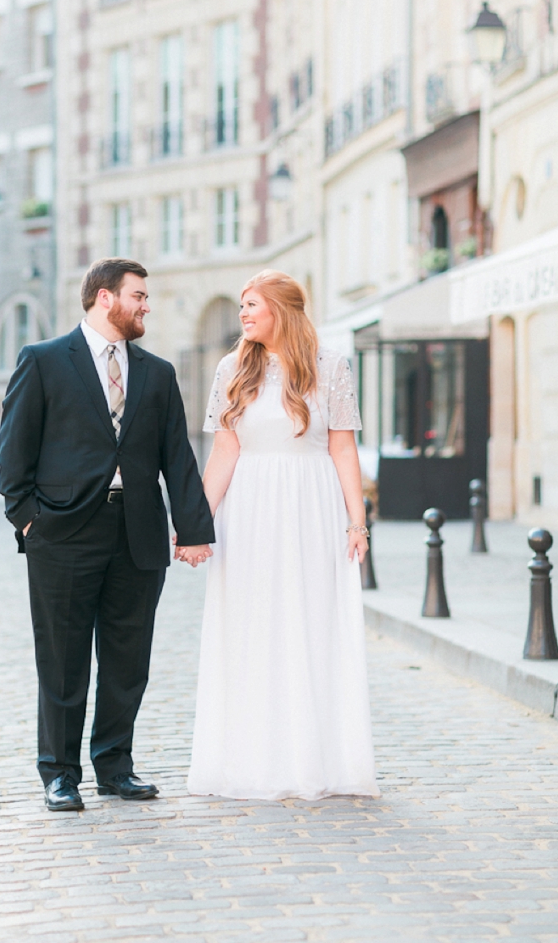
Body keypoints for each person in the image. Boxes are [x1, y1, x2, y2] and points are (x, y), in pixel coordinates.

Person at [0, 258, 214, 812]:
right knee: (63, 659)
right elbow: (13, 452)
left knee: (127, 659)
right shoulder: (44, 361)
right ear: (104, 297)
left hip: (137, 533)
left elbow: (177, 455)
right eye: (138, 295)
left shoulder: (158, 373)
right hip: (63, 534)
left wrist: (193, 527)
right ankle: (60, 773)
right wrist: (29, 521)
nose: (146, 306)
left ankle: (115, 766)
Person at [183, 270, 379, 801]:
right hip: (248, 510)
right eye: (243, 306)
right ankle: (250, 761)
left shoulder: (330, 366)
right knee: (251, 626)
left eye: (252, 305)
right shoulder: (231, 368)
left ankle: (318, 760)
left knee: (312, 625)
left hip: (312, 507)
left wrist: (356, 521)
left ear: (282, 310)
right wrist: (195, 524)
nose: (243, 314)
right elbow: (224, 452)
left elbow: (343, 449)